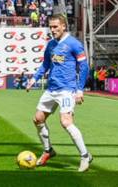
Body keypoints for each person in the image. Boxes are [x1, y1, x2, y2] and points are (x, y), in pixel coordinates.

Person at [26, 14, 92, 172]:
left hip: (67, 89)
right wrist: (34, 79)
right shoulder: (50, 45)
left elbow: (84, 67)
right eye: (50, 27)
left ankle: (85, 156)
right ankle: (48, 151)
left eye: (55, 27)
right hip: (51, 89)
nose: (52, 30)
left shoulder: (74, 44)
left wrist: (79, 90)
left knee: (66, 122)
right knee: (37, 119)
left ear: (63, 26)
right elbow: (45, 65)